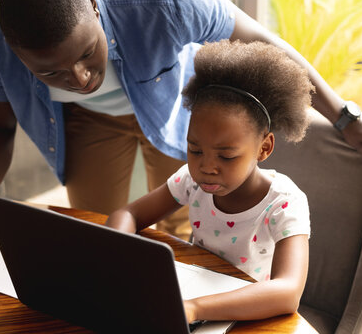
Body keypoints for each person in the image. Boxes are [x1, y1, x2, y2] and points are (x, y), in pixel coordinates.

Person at [0, 0, 362, 238]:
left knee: (184, 221)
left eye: (88, 55)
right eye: (52, 73)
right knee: (97, 229)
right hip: (83, 126)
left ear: (94, 6)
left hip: (172, 103)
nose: (81, 78)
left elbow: (265, 43)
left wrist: (345, 117)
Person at [106, 39, 312, 322]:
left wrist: (194, 309)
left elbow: (288, 292)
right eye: (195, 150)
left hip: (250, 314)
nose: (206, 167)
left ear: (264, 148)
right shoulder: (191, 180)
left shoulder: (285, 203)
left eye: (226, 156)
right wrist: (114, 253)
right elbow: (128, 213)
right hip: (194, 294)